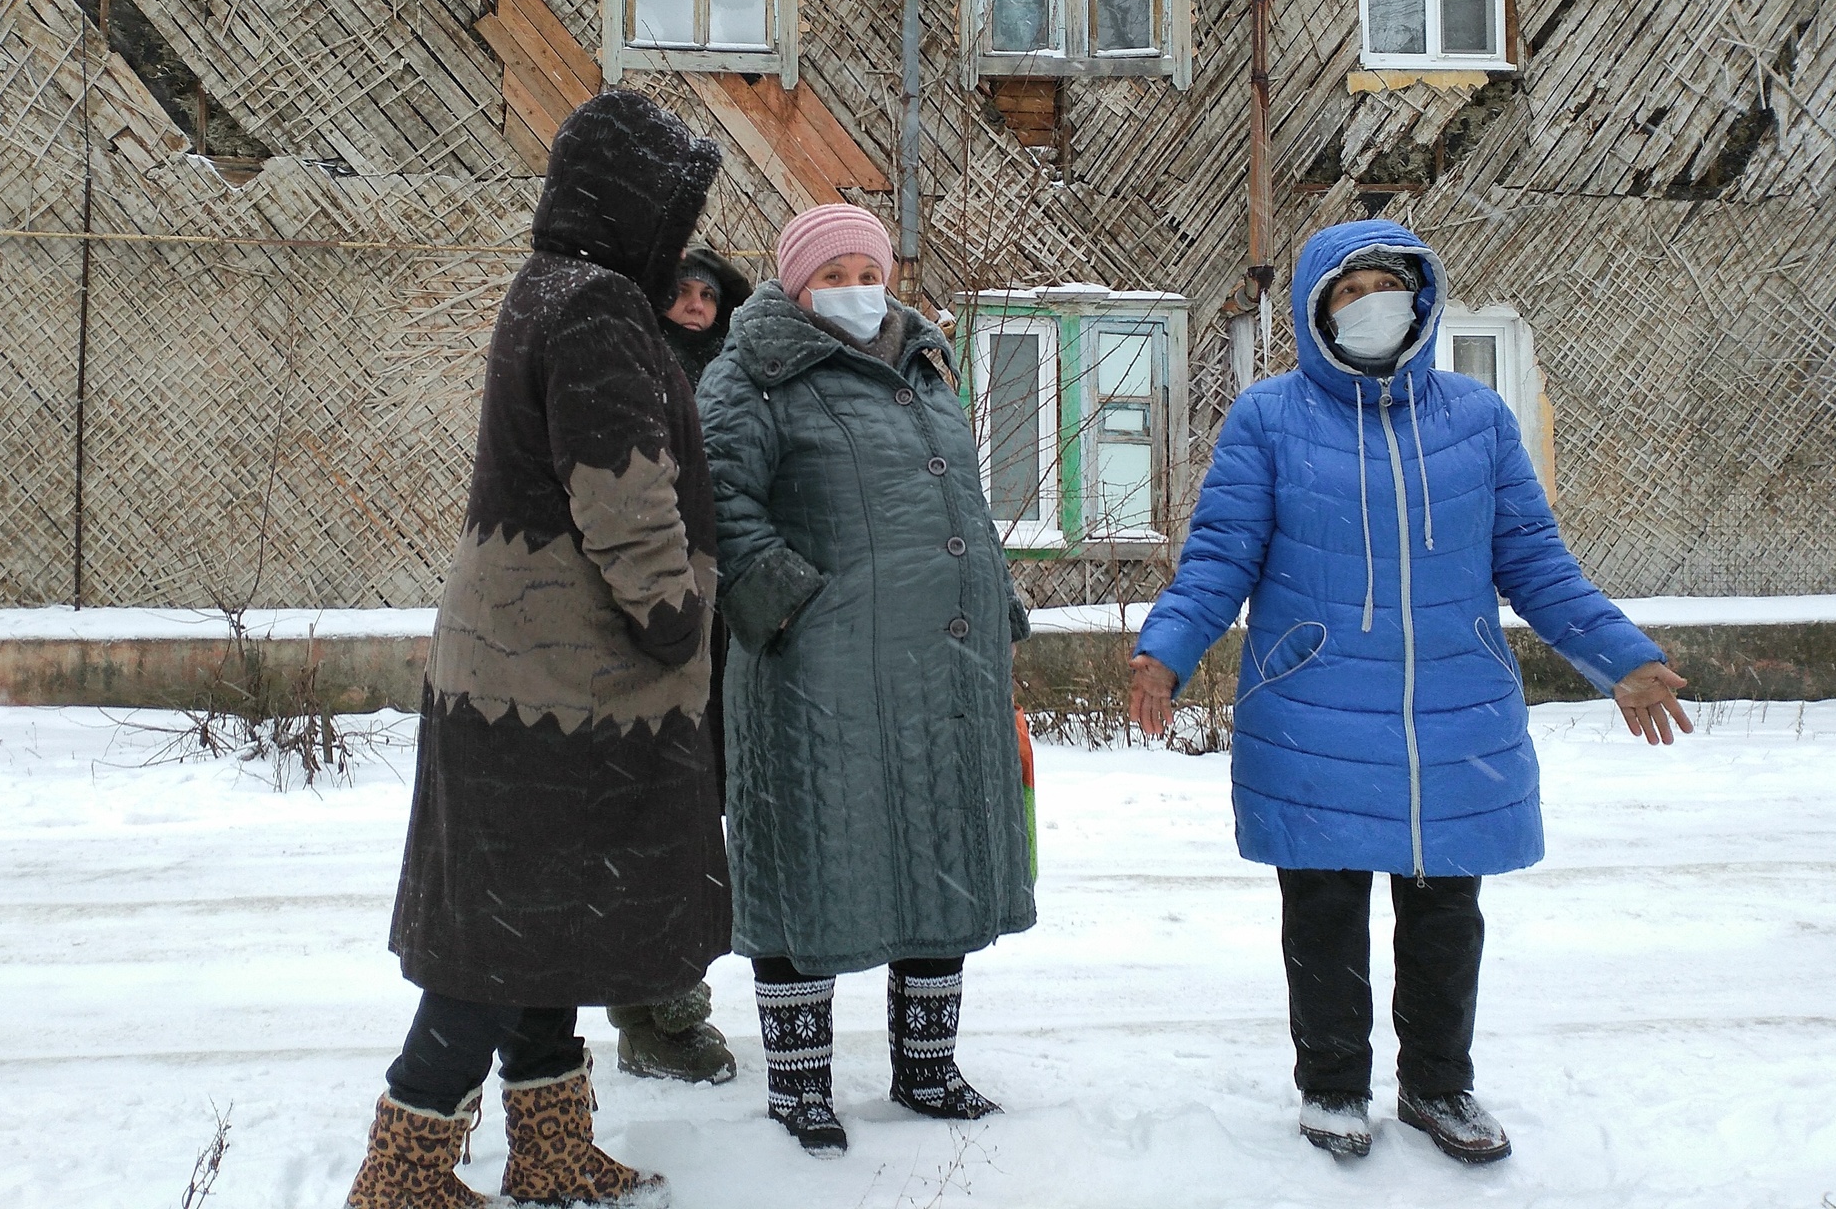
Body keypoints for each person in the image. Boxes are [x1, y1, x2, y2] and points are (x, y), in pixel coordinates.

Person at [1127, 220, 1690, 1167]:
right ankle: (1335, 1087)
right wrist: (1166, 652)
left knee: (1443, 914)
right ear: (1315, 311)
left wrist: (1620, 657)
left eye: (1386, 285)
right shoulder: (1269, 419)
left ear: (1421, 298)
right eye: (1348, 292)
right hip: (1313, 708)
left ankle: (1437, 1084)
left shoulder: (1476, 418)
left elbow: (1538, 564)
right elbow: (1221, 556)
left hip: (1449, 712)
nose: (1370, 304)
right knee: (1325, 909)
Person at [346, 92, 730, 1209]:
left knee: (536, 921)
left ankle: (551, 1146)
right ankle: (404, 1169)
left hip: (517, 671)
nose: (679, 228)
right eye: (672, 204)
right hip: (570, 682)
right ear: (630, 204)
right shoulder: (600, 308)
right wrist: (671, 618)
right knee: (498, 938)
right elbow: (620, 494)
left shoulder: (546, 292)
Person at [696, 203, 1036, 1157]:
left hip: (945, 661)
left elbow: (960, 497)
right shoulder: (750, 375)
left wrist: (996, 605)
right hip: (818, 671)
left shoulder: (925, 364)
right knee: (815, 859)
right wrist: (793, 610)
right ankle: (800, 1086)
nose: (854, 288)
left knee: (938, 849)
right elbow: (719, 504)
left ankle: (928, 1068)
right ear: (795, 285)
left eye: (866, 268)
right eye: (831, 273)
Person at [602, 246, 754, 1088]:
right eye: (682, 293)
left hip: (727, 631)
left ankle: (656, 997)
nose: (695, 305)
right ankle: (660, 1009)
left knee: (693, 814)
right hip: (653, 626)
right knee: (662, 816)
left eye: (708, 294)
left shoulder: (739, 377)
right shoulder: (627, 373)